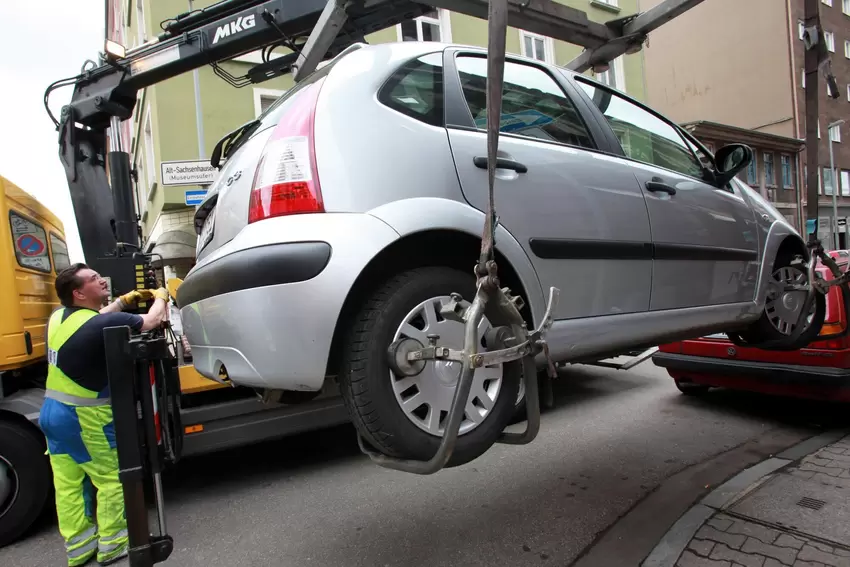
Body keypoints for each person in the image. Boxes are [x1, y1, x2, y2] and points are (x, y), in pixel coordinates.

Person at [39, 263, 169, 566]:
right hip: (84, 418)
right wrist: (162, 295)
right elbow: (152, 321)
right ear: (79, 292)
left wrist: (123, 301)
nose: (101, 280)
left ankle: (79, 547)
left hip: (52, 414)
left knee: (68, 485)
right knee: (111, 478)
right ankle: (113, 544)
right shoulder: (96, 325)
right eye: (94, 279)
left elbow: (94, 320)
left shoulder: (59, 317)